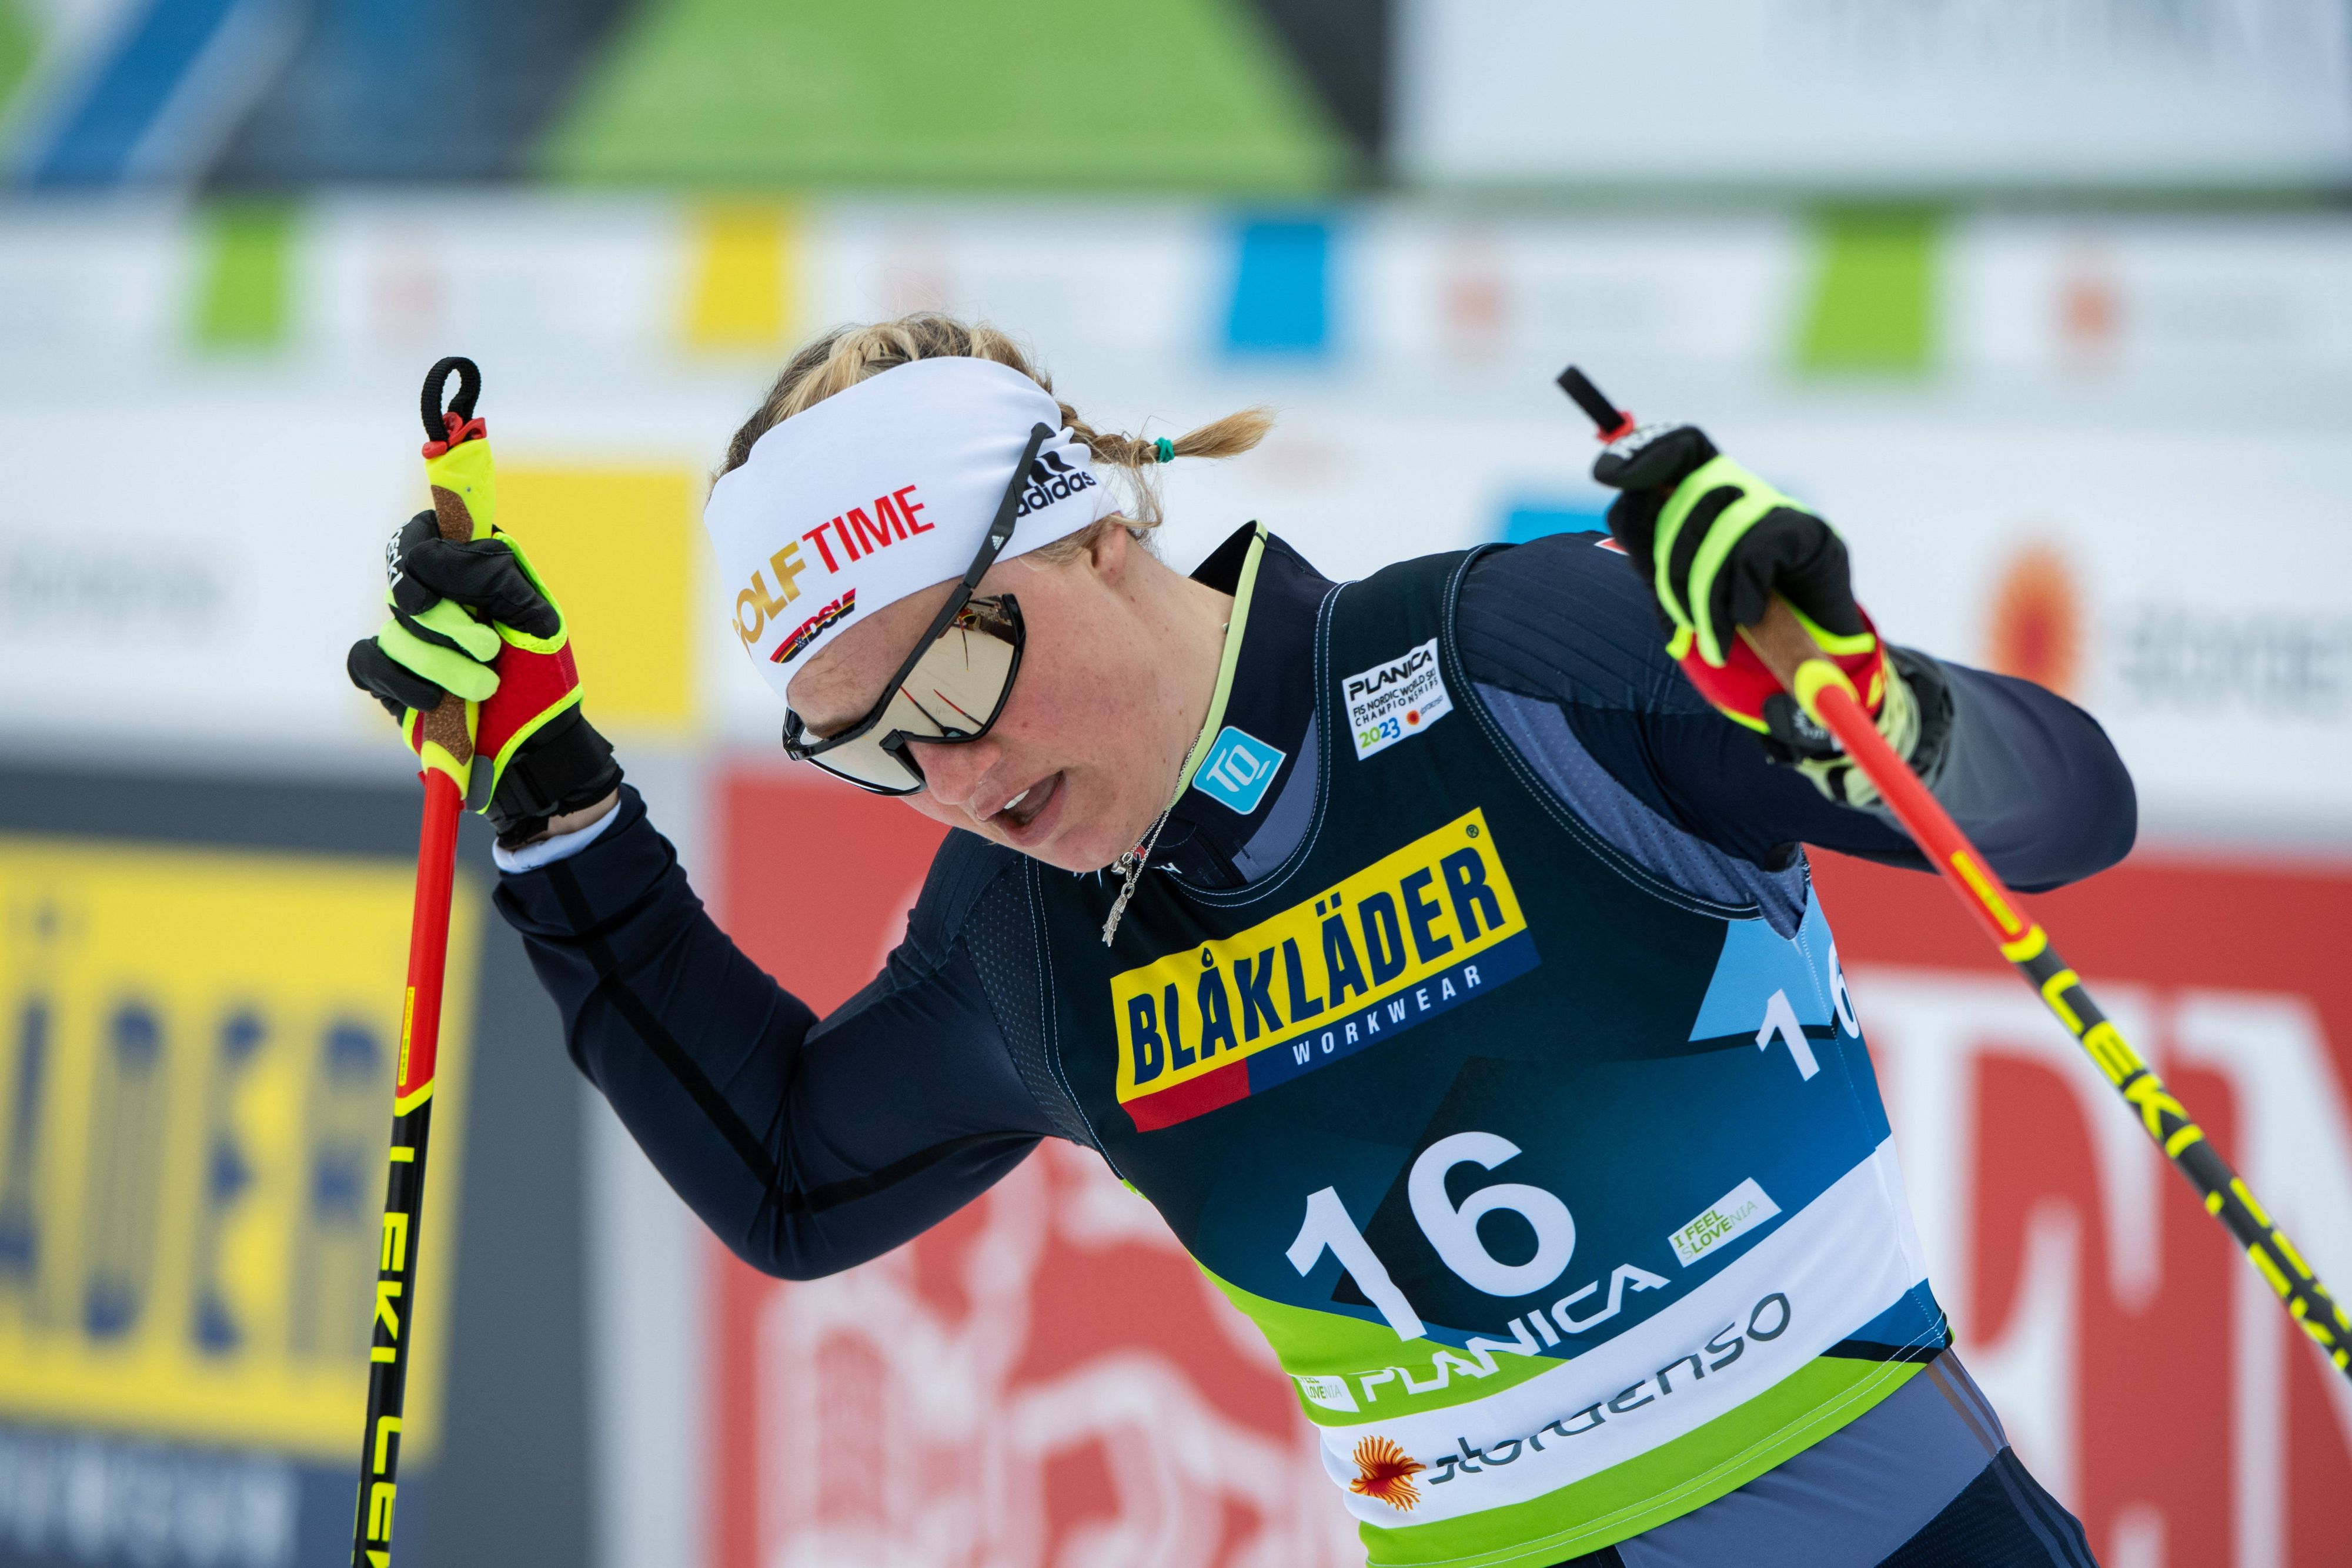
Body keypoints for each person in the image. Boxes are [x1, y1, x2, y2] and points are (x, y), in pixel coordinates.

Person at [349, 315, 2127, 1568]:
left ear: (1093, 530)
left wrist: (1861, 700)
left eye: (957, 676)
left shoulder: (1505, 662)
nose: (949, 776)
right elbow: (792, 1174)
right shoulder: (1022, 941)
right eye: (873, 748)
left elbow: (2065, 816)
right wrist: (551, 796)